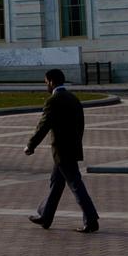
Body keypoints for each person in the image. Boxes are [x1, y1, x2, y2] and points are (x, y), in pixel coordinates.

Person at [24, 68, 99, 233]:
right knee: (56, 184)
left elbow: (43, 126)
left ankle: (91, 219)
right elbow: (81, 125)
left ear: (51, 81)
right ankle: (46, 216)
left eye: (46, 83)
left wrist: (31, 145)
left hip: (62, 151)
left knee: (75, 185)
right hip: (71, 149)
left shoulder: (53, 101)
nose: (46, 87)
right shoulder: (74, 98)